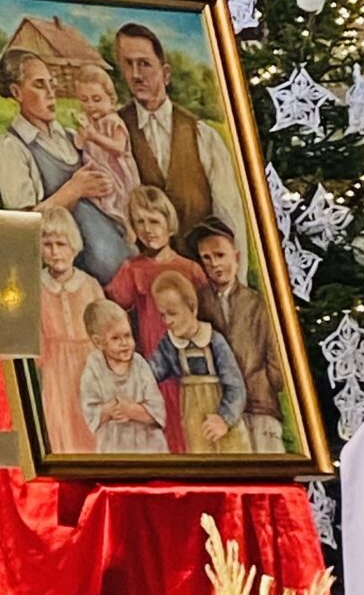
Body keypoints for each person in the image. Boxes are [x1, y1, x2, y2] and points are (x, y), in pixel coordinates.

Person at [0, 48, 132, 285]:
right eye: (39, 85)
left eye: (51, 84)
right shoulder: (11, 146)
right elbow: (21, 227)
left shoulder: (68, 135)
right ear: (16, 92)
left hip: (118, 256)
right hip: (74, 277)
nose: (51, 93)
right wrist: (74, 190)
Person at [112, 22, 248, 245]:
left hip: (198, 263)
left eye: (144, 64)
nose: (136, 75)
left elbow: (229, 215)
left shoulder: (201, 135)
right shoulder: (113, 130)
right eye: (128, 64)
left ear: (165, 73)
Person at [192, 214, 288, 454]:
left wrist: (262, 384)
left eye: (220, 255)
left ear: (236, 256)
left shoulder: (257, 304)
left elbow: (276, 361)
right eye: (206, 258)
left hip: (259, 407)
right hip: (220, 407)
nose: (214, 264)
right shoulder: (200, 303)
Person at [149, 270, 250, 455]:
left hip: (223, 419)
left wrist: (224, 418)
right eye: (162, 315)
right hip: (193, 420)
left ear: (193, 309)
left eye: (172, 313)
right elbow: (151, 373)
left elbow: (236, 386)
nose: (167, 321)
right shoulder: (168, 345)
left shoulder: (214, 340)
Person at [105, 185, 205, 359]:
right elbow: (110, 310)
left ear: (169, 224)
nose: (148, 230)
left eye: (154, 221)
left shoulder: (191, 269)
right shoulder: (132, 269)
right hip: (153, 357)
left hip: (191, 355)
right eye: (140, 222)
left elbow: (208, 315)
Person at [36, 208, 101, 457]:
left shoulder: (90, 285)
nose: (55, 252)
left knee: (89, 426)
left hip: (89, 365)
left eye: (61, 244)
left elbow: (105, 327)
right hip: (55, 370)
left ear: (73, 246)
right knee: (60, 424)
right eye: (48, 245)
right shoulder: (37, 288)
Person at [78, 298, 168, 454]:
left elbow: (158, 412)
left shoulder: (139, 365)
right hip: (114, 445)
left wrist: (131, 411)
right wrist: (110, 410)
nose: (124, 343)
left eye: (127, 335)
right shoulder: (94, 368)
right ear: (99, 343)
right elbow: (90, 412)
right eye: (115, 338)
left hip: (147, 444)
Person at [65, 58, 140, 233]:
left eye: (96, 99)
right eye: (84, 100)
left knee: (122, 203)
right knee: (102, 205)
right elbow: (79, 145)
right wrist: (81, 135)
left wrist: (95, 136)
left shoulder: (113, 122)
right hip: (99, 171)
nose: (90, 105)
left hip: (118, 173)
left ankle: (128, 227)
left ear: (111, 100)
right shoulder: (89, 122)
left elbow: (119, 148)